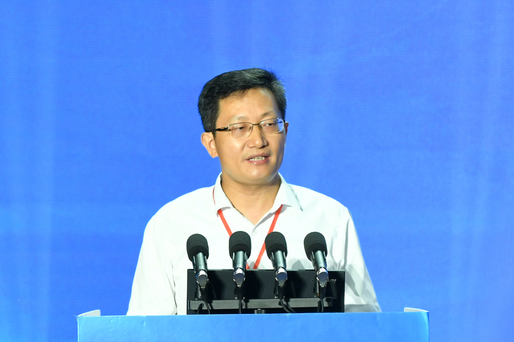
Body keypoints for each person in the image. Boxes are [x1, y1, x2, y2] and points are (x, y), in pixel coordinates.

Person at [128, 68, 379, 315]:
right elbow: (146, 331)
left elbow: (363, 324)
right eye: (239, 127)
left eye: (269, 124)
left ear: (285, 131)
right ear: (211, 143)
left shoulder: (330, 218)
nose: (258, 141)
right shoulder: (171, 225)